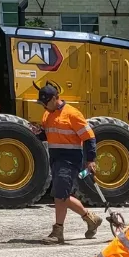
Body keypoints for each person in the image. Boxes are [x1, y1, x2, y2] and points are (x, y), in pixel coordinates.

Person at [31, 83, 102, 243]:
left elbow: (89, 137)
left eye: (45, 103)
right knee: (62, 195)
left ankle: (58, 232)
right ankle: (91, 219)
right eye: (41, 103)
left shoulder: (72, 114)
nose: (43, 106)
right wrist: (38, 133)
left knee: (60, 195)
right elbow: (48, 135)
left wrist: (91, 160)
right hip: (55, 159)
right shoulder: (47, 115)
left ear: (56, 98)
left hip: (70, 160)